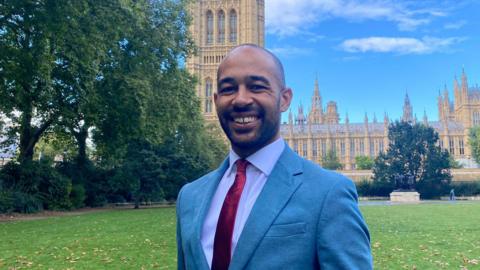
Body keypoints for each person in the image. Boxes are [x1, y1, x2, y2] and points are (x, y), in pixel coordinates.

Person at [176, 44, 373, 270]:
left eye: (257, 87)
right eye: (228, 89)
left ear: (285, 99)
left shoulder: (329, 193)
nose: (240, 100)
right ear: (215, 99)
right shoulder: (189, 197)